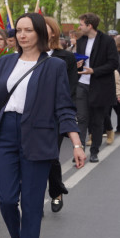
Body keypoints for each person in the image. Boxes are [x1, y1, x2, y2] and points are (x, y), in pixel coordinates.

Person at [0, 13, 85, 238]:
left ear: (40, 33)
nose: (23, 35)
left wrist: (76, 143)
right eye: (19, 31)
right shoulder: (5, 62)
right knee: (5, 196)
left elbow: (64, 107)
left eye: (28, 30)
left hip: (38, 136)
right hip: (6, 133)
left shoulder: (54, 66)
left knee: (32, 204)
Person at [45, 16, 79, 213]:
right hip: (29, 116)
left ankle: (56, 191)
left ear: (54, 32)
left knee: (50, 156)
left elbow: (70, 89)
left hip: (55, 116)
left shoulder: (65, 57)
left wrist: (67, 117)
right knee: (30, 158)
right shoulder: (25, 56)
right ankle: (33, 199)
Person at [74, 13, 118, 163]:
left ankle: (94, 152)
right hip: (82, 84)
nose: (79, 27)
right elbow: (79, 59)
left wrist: (94, 71)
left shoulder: (107, 41)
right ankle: (79, 151)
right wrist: (77, 64)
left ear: (89, 26)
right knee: (81, 119)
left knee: (97, 121)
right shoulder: (81, 41)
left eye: (81, 24)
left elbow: (113, 63)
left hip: (100, 86)